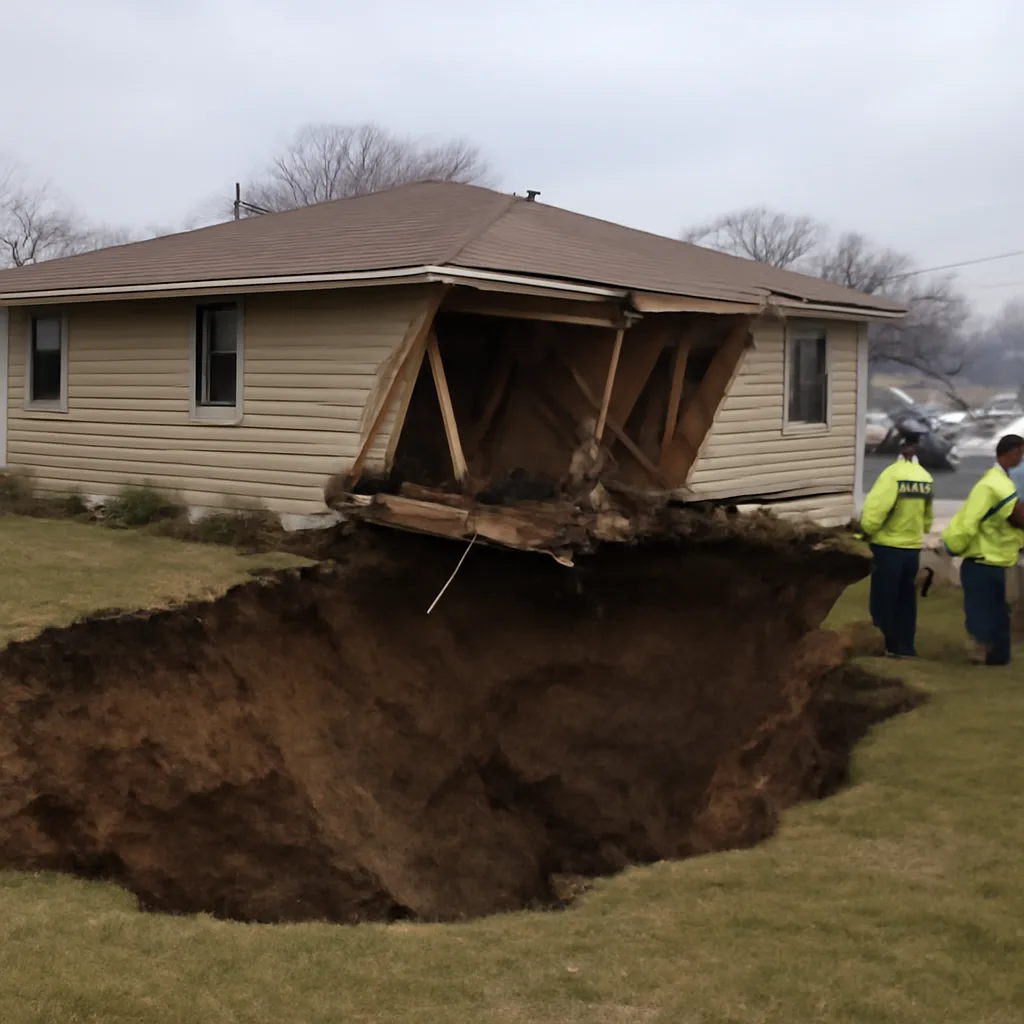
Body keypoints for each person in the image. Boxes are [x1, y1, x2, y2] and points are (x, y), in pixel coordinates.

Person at [942, 434, 1024, 666]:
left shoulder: (991, 485)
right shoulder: (1005, 484)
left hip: (981, 559)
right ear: (1012, 453)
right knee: (999, 612)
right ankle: (1000, 656)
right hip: (1001, 560)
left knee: (980, 610)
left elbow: (968, 521)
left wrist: (952, 546)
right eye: (1021, 454)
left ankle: (981, 652)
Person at [859, 431, 934, 657]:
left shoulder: (892, 475)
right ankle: (905, 646)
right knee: (906, 600)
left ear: (900, 449)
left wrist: (863, 533)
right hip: (912, 549)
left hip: (888, 547)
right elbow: (927, 519)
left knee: (884, 598)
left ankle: (883, 644)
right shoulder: (925, 477)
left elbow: (875, 511)